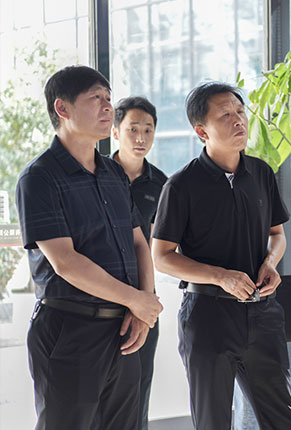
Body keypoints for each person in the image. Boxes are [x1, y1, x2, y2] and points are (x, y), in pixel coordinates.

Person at [15, 65, 163, 430]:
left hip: (124, 329)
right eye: (96, 98)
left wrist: (143, 306)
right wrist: (136, 300)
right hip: (70, 328)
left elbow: (138, 241)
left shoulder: (113, 174)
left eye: (109, 98)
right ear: (62, 108)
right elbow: (65, 262)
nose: (107, 106)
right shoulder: (39, 177)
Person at [151, 81, 291, 429]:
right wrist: (221, 276)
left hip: (263, 314)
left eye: (240, 111)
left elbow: (277, 235)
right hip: (208, 318)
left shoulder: (262, 173)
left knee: (284, 420)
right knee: (213, 422)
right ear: (201, 131)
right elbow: (162, 256)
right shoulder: (181, 185)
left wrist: (270, 263)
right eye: (225, 115)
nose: (238, 120)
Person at [112, 96, 168, 430]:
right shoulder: (96, 174)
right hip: (100, 295)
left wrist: (144, 303)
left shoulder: (162, 185)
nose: (141, 137)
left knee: (137, 393)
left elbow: (159, 246)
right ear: (115, 132)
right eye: (133, 129)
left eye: (148, 130)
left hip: (144, 299)